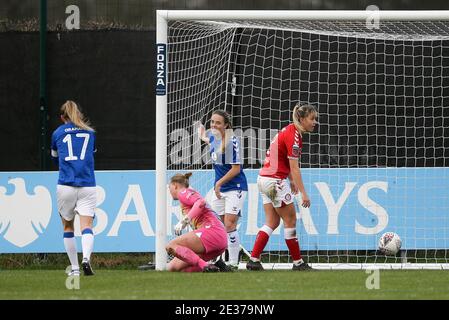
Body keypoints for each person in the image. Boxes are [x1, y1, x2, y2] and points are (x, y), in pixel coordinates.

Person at [246, 103, 318, 271]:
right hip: (274, 182)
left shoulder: (288, 130)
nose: (315, 122)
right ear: (301, 119)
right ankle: (298, 263)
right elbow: (294, 167)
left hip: (263, 179)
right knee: (290, 220)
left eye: (315, 119)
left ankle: (253, 260)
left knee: (272, 221)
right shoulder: (294, 137)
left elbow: (283, 161)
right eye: (312, 118)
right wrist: (304, 193)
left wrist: (291, 181)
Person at [198, 110, 248, 271]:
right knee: (218, 226)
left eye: (217, 123)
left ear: (226, 125)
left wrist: (218, 184)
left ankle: (233, 262)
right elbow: (207, 139)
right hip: (219, 189)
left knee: (229, 224)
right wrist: (201, 134)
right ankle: (223, 256)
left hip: (235, 188)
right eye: (212, 122)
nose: (213, 125)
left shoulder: (231, 141)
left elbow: (236, 169)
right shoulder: (213, 137)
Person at [51, 100, 97, 276]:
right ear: (79, 114)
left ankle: (75, 268)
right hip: (87, 184)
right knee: (87, 225)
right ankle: (86, 258)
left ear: (62, 117)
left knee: (68, 226)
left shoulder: (57, 133)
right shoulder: (90, 132)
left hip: (66, 184)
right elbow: (90, 155)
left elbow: (55, 159)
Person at [166, 173, 227, 272]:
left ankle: (205, 265)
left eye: (169, 187)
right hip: (220, 241)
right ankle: (217, 266)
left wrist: (184, 221)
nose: (169, 191)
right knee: (174, 268)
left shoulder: (183, 192)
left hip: (212, 232)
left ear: (175, 185)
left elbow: (201, 202)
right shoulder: (188, 195)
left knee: (170, 246)